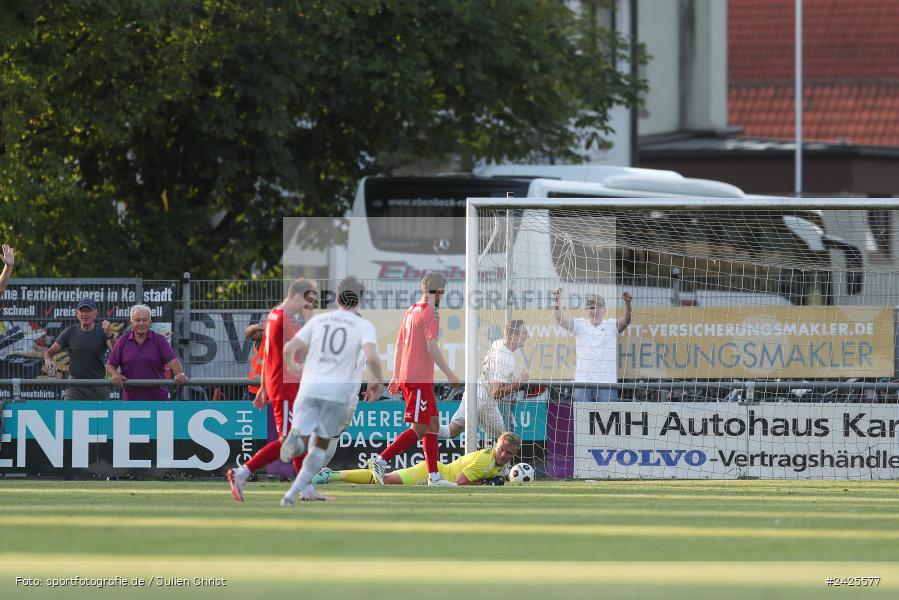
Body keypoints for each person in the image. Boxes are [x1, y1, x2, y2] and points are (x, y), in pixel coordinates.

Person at [278, 277, 383, 504]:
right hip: (339, 394)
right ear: (360, 300)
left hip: (309, 388)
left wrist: (295, 366)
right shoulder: (363, 326)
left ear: (336, 298)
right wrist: (378, 381)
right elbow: (371, 358)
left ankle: (292, 489)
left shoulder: (320, 321)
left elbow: (290, 348)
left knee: (306, 435)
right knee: (323, 444)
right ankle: (308, 481)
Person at [226, 278, 318, 502]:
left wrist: (264, 388)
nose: (310, 306)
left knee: (299, 437)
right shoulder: (283, 320)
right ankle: (242, 473)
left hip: (285, 386)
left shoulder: (275, 316)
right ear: (297, 296)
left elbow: (269, 357)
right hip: (285, 387)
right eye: (309, 301)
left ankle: (305, 488)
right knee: (289, 440)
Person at [368, 272, 461, 487]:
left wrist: (396, 374)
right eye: (443, 293)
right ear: (438, 291)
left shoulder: (410, 311)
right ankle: (381, 460)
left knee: (433, 425)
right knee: (419, 428)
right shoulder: (430, 312)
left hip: (414, 378)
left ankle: (434, 477)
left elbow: (399, 344)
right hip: (418, 379)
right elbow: (431, 345)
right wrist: (449, 373)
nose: (443, 297)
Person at [317, 432, 521, 486]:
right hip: (433, 474)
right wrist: (485, 483)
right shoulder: (485, 461)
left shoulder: (495, 464)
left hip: (438, 473)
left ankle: (331, 475)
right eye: (502, 450)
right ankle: (330, 475)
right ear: (495, 445)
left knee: (384, 480)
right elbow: (459, 484)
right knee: (385, 480)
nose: (504, 455)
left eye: (509, 453)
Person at [442, 320, 530, 441]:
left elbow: (495, 378)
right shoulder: (505, 359)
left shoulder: (498, 343)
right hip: (478, 396)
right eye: (524, 333)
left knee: (502, 438)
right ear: (513, 336)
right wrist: (519, 382)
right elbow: (497, 393)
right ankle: (423, 430)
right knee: (451, 431)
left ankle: (493, 460)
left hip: (485, 396)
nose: (528, 336)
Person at [553, 288, 632, 402]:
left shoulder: (611, 325)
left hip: (606, 384)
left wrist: (627, 304)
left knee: (607, 419)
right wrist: (557, 302)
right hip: (583, 384)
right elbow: (560, 319)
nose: (594, 310)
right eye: (591, 307)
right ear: (586, 310)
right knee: (582, 418)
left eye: (598, 307)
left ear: (604, 310)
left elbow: (626, 321)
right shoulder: (580, 325)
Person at [106, 304, 188, 400]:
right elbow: (110, 365)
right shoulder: (122, 341)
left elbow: (173, 360)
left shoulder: (160, 340)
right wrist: (115, 374)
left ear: (150, 322)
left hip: (158, 400)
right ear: (131, 322)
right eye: (137, 320)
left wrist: (180, 374)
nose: (141, 323)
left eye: (145, 320)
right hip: (131, 400)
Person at [44, 297, 116, 400]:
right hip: (75, 385)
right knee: (67, 412)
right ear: (77, 313)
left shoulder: (102, 332)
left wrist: (110, 334)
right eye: (82, 311)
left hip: (98, 384)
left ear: (95, 314)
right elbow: (48, 353)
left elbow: (116, 351)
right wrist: (47, 359)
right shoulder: (69, 332)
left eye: (88, 311)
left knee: (105, 414)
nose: (84, 314)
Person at [243, 320, 266, 401]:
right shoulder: (266, 334)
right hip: (255, 387)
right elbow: (248, 331)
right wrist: (258, 326)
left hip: (269, 388)